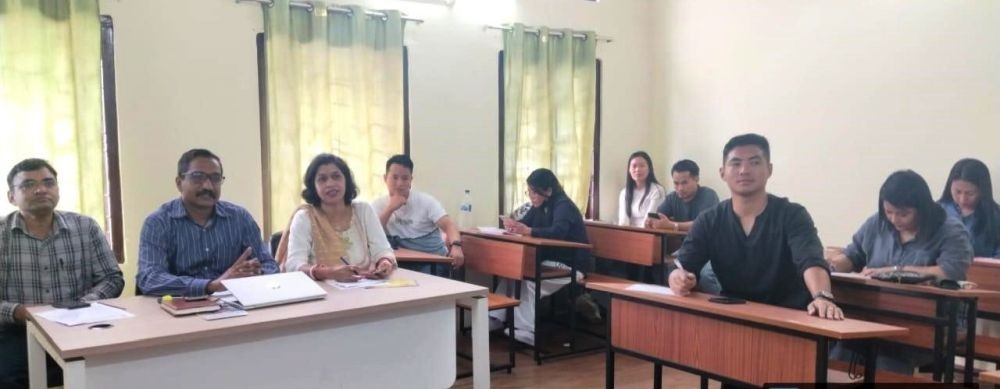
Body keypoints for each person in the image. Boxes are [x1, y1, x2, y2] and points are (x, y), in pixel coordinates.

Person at [668, 133, 842, 321]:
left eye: (754, 162)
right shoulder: (710, 220)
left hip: (789, 317)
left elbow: (811, 261)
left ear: (769, 169)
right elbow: (683, 265)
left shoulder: (792, 215)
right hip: (734, 314)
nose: (744, 170)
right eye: (735, 163)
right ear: (722, 172)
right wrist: (677, 278)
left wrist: (822, 296)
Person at [827, 170, 973, 374]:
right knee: (840, 351)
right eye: (889, 211)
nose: (895, 219)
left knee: (888, 357)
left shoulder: (949, 229)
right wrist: (830, 267)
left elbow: (951, 271)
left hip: (927, 323)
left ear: (922, 208)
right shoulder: (877, 223)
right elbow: (853, 255)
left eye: (904, 213)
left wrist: (894, 271)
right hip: (873, 316)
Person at [1, 158, 124, 388]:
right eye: (28, 185)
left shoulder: (85, 226)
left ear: (57, 189)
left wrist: (82, 305)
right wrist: (19, 311)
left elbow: (111, 277)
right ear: (11, 196)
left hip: (82, 324)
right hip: (18, 331)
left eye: (48, 182)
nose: (41, 189)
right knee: (6, 376)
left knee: (122, 365)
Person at [137, 149, 278, 296]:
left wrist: (254, 272)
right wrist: (210, 286)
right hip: (179, 307)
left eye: (215, 178)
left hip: (233, 304)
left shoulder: (240, 218)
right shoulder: (158, 223)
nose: (208, 186)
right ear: (179, 183)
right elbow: (150, 278)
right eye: (198, 177)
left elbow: (269, 265)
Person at [491, 168, 594, 345]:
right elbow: (526, 224)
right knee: (512, 273)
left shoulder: (563, 205)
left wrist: (529, 230)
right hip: (550, 261)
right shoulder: (538, 206)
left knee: (529, 281)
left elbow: (558, 232)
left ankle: (526, 331)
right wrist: (515, 226)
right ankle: (495, 317)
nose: (531, 196)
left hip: (572, 264)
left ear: (548, 190)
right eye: (529, 191)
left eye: (534, 191)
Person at [277, 153, 396, 281]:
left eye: (336, 176)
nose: (330, 183)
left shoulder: (363, 210)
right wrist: (329, 273)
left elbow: (383, 250)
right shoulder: (304, 217)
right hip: (321, 292)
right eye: (322, 179)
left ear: (346, 180)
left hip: (364, 287)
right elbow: (294, 266)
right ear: (313, 186)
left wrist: (385, 262)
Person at [372, 155, 462, 276]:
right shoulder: (378, 204)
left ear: (411, 180)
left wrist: (456, 246)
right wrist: (390, 208)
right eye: (394, 177)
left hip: (433, 262)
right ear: (385, 178)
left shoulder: (426, 201)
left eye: (405, 178)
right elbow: (372, 234)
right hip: (401, 262)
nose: (399, 183)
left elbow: (449, 225)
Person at [646, 159, 721, 293]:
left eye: (684, 183)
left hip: (710, 250)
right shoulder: (672, 198)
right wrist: (652, 222)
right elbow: (657, 216)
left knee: (706, 275)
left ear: (696, 179)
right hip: (686, 249)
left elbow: (702, 225)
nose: (680, 188)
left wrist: (673, 226)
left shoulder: (708, 195)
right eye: (676, 183)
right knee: (659, 265)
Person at [938, 158, 1000, 258]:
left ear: (982, 190)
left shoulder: (995, 215)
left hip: (981, 271)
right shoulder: (938, 211)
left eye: (970, 193)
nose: (962, 199)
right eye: (957, 192)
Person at [617, 151, 666, 227]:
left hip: (648, 234)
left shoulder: (657, 190)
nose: (637, 170)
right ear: (629, 170)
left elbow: (648, 221)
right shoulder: (624, 192)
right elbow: (623, 220)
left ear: (649, 169)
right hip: (628, 233)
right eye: (634, 166)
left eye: (642, 166)